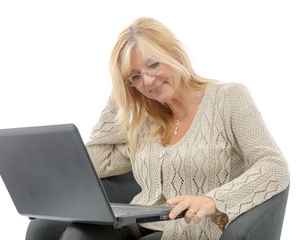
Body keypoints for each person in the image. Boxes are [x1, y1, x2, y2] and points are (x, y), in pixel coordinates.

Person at [60, 17, 290, 240]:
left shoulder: (229, 98)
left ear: (176, 54)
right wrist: (115, 101)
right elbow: (94, 164)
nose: (148, 81)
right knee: (77, 235)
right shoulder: (145, 120)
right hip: (137, 223)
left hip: (192, 230)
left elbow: (274, 165)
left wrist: (212, 201)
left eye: (153, 64)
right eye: (135, 77)